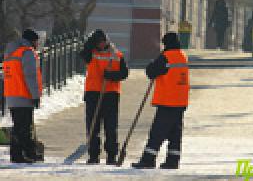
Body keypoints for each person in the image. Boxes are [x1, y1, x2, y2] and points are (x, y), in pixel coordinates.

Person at [132, 32, 190, 169]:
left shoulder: (166, 57)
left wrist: (153, 62)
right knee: (175, 133)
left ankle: (148, 159)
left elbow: (151, 72)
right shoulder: (182, 56)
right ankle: (173, 160)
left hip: (167, 101)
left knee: (157, 132)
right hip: (180, 101)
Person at [79, 29, 129, 165]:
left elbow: (124, 73)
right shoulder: (91, 53)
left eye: (102, 42)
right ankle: (93, 155)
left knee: (111, 126)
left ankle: (112, 155)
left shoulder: (116, 55)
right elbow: (82, 55)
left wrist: (111, 76)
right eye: (98, 42)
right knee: (93, 126)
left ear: (106, 40)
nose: (101, 45)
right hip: (92, 93)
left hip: (111, 94)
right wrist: (89, 43)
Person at [3, 29, 43, 163]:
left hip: (12, 95)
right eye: (37, 41)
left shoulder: (11, 53)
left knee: (18, 127)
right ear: (32, 41)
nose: (38, 44)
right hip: (24, 95)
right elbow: (30, 76)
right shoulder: (27, 53)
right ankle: (25, 154)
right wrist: (35, 95)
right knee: (24, 128)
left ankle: (19, 154)